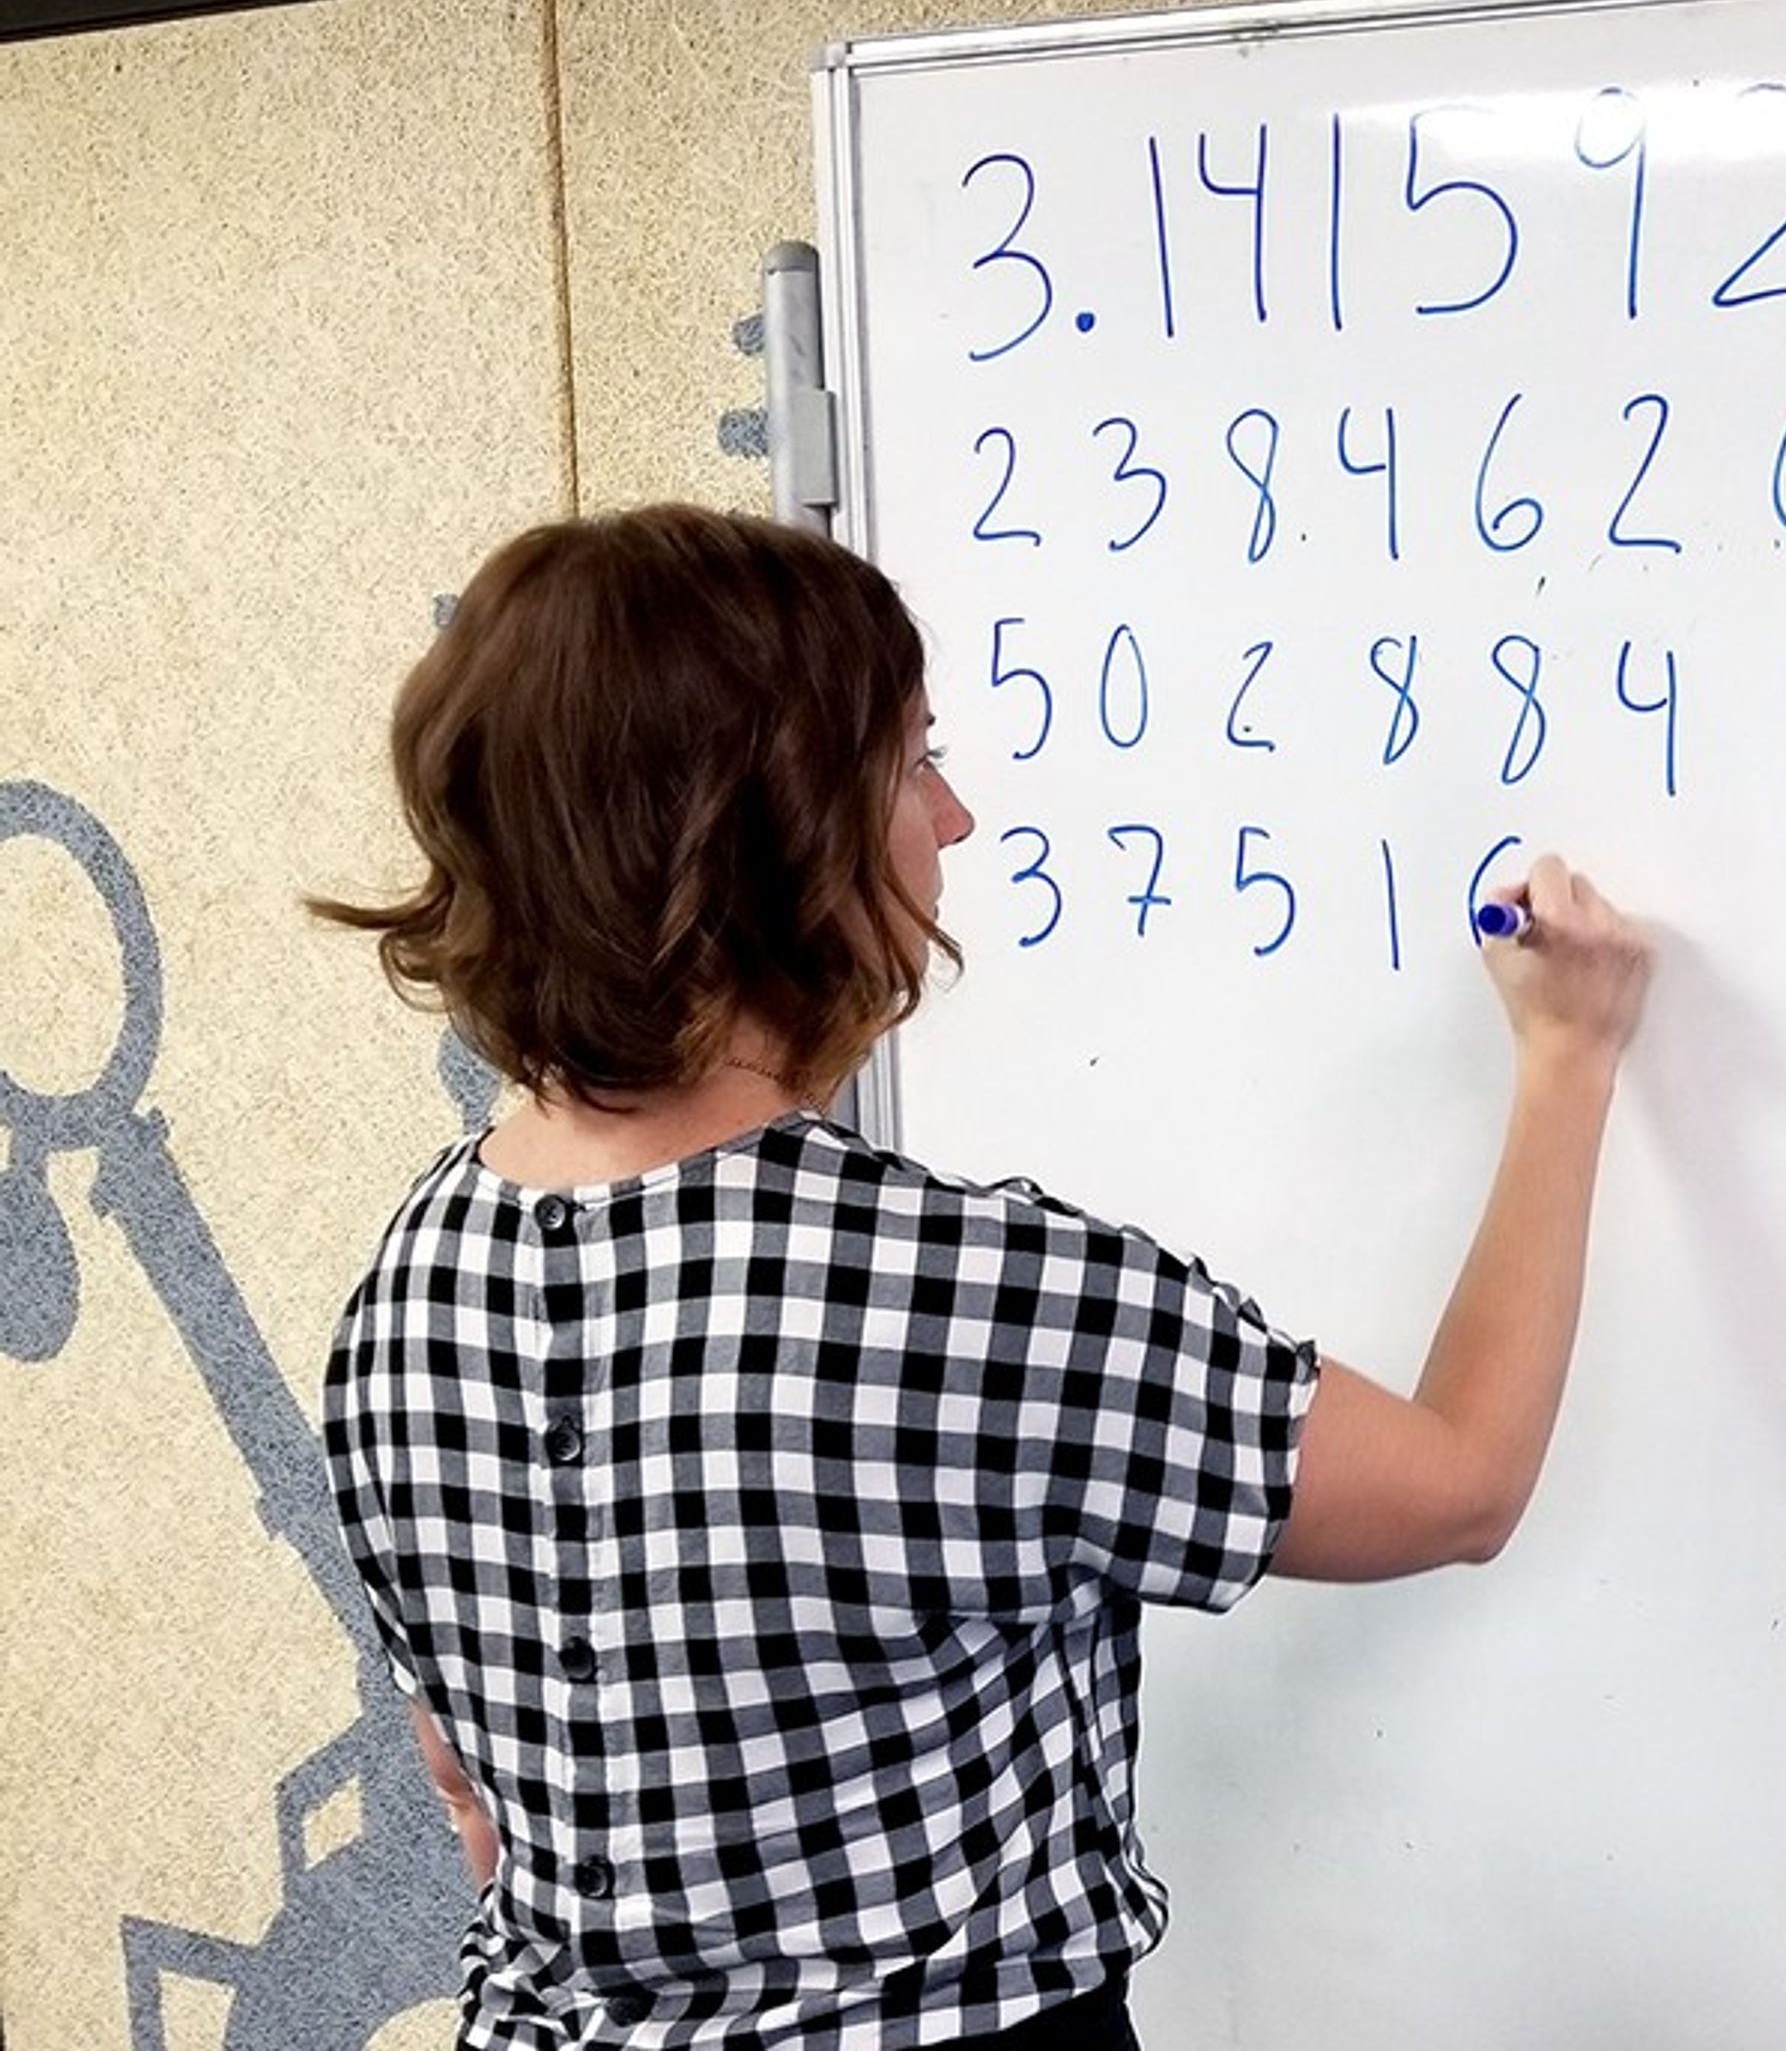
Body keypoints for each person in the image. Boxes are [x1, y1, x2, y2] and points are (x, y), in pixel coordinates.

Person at [311, 505, 1652, 2048]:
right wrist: (1568, 1059)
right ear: (775, 834)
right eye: (911, 763)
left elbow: (473, 1796)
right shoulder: (961, 1298)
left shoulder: (403, 1300)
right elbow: (1459, 1483)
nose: (951, 819)